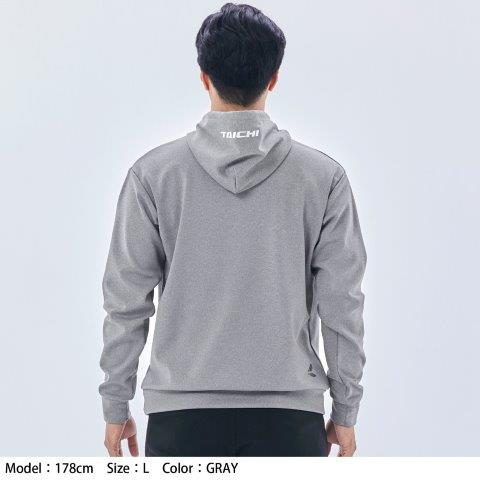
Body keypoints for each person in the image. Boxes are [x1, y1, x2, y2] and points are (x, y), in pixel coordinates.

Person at [99, 2, 366, 457]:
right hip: (290, 417)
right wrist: (345, 410)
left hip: (180, 416)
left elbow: (126, 301)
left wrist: (115, 403)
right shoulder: (323, 178)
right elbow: (342, 304)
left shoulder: (154, 175)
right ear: (273, 78)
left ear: (204, 77)